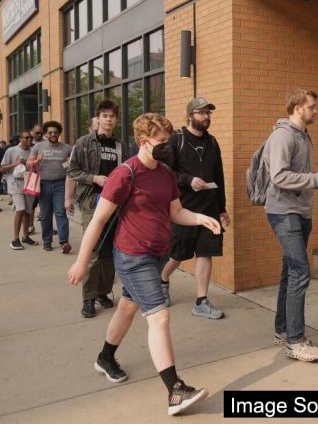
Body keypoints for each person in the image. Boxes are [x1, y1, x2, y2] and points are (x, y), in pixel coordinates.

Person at [67, 113, 219, 416]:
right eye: (162, 142)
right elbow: (98, 220)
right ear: (144, 141)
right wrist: (82, 262)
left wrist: (201, 218)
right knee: (159, 318)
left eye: (169, 141)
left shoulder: (165, 174)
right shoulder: (125, 174)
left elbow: (176, 212)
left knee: (127, 307)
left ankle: (105, 358)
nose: (168, 147)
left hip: (157, 253)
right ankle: (175, 390)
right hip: (133, 257)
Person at [265, 88, 318, 362]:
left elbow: (298, 172)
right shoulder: (283, 135)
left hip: (299, 212)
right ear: (298, 107)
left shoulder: (302, 135)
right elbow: (279, 176)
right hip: (285, 213)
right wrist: (317, 180)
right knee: (300, 273)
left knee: (290, 273)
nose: (315, 111)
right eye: (311, 107)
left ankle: (283, 330)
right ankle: (295, 342)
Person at [160, 97, 230, 318]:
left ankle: (201, 301)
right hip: (184, 209)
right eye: (201, 113)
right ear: (190, 115)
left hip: (209, 208)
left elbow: (219, 175)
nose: (206, 117)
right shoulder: (176, 139)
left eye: (208, 113)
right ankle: (162, 280)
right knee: (178, 255)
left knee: (205, 253)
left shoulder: (212, 142)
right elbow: (164, 171)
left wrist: (222, 208)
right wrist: (187, 180)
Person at [68, 102, 126, 318]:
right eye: (104, 115)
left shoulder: (119, 145)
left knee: (110, 251)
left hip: (115, 202)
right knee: (92, 251)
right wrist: (95, 178)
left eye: (112, 116)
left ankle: (103, 292)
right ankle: (88, 298)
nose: (109, 119)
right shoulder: (84, 143)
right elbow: (73, 171)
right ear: (98, 119)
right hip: (92, 200)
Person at [30, 121, 73, 253]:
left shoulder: (66, 148)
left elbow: (73, 165)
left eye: (55, 132)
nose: (53, 134)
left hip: (61, 184)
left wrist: (70, 163)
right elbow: (28, 163)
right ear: (46, 134)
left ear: (59, 133)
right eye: (50, 132)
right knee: (45, 215)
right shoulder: (38, 147)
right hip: (43, 184)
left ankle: (64, 242)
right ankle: (47, 241)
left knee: (60, 213)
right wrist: (37, 160)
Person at [1, 131, 37, 250]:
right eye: (26, 137)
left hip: (29, 184)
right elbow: (1, 168)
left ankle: (25, 236)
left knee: (27, 211)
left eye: (31, 138)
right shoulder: (11, 151)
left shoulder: (33, 151)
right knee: (20, 209)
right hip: (15, 185)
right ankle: (15, 239)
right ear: (20, 138)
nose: (29, 139)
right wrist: (15, 164)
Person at [65, 117, 99, 218]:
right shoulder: (81, 144)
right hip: (88, 196)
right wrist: (68, 199)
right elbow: (71, 173)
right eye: (98, 127)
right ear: (90, 129)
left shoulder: (116, 145)